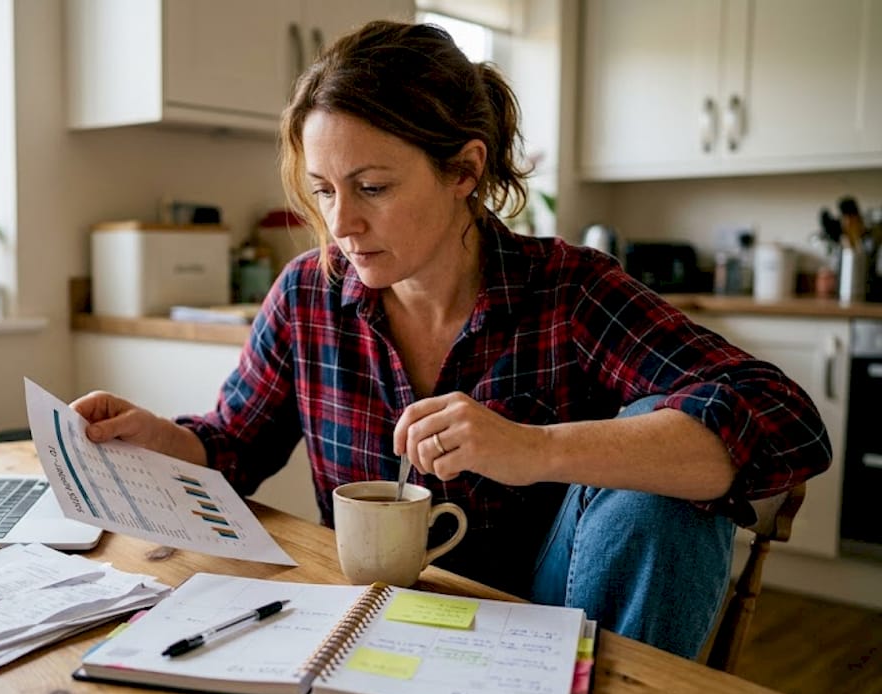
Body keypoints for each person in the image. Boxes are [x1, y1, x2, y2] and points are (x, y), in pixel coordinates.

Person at [72, 20, 831, 658]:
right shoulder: (309, 294)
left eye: (372, 186)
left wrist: (535, 449)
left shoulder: (567, 290)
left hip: (554, 622)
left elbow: (782, 416)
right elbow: (233, 444)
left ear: (465, 169)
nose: (342, 224)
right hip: (378, 627)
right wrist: (160, 438)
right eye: (325, 190)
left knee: (665, 488)